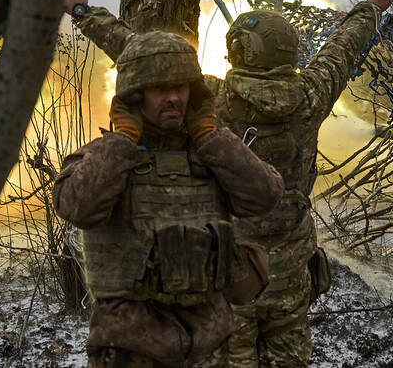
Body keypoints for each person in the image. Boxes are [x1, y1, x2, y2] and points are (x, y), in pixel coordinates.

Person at [63, 0, 393, 367]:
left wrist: (82, 11)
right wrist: (372, 7)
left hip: (234, 270)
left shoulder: (213, 99)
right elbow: (343, 46)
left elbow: (139, 53)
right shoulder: (312, 93)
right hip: (292, 271)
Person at [52, 29, 285, 368]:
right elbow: (78, 207)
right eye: (159, 88)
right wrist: (123, 143)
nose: (173, 97)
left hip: (211, 348)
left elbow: (265, 198)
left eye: (180, 87)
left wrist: (211, 137)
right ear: (134, 96)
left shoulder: (214, 153)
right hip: (130, 351)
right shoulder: (107, 156)